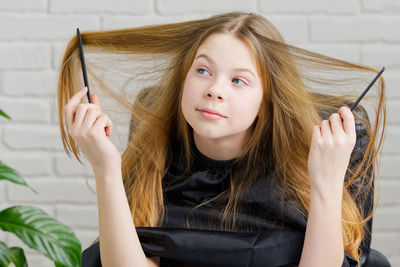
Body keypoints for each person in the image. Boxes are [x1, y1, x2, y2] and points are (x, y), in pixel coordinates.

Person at [57, 12, 390, 267]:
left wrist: (327, 182)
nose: (214, 90)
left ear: (267, 102)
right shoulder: (151, 156)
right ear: (182, 80)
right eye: (203, 71)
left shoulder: (314, 163)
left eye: (239, 81)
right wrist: (106, 169)